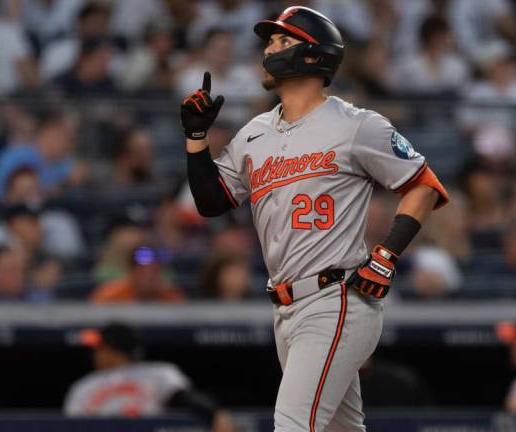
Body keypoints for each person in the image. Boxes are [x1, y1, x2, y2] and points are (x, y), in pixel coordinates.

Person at [180, 6, 449, 432]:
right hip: (285, 306)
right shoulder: (254, 133)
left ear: (312, 55)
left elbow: (424, 185)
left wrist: (387, 255)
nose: (269, 49)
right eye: (269, 41)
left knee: (293, 424)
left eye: (281, 41)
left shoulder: (356, 125)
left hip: (336, 296)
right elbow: (212, 201)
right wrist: (196, 140)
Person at [65, 323, 235, 432]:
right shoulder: (83, 387)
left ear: (117, 352)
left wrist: (214, 413)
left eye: (102, 348)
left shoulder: (156, 373)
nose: (96, 354)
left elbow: (185, 397)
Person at [90, 246, 184, 303]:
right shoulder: (109, 296)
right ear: (132, 271)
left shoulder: (170, 296)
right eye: (143, 271)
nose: (150, 276)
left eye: (154, 271)